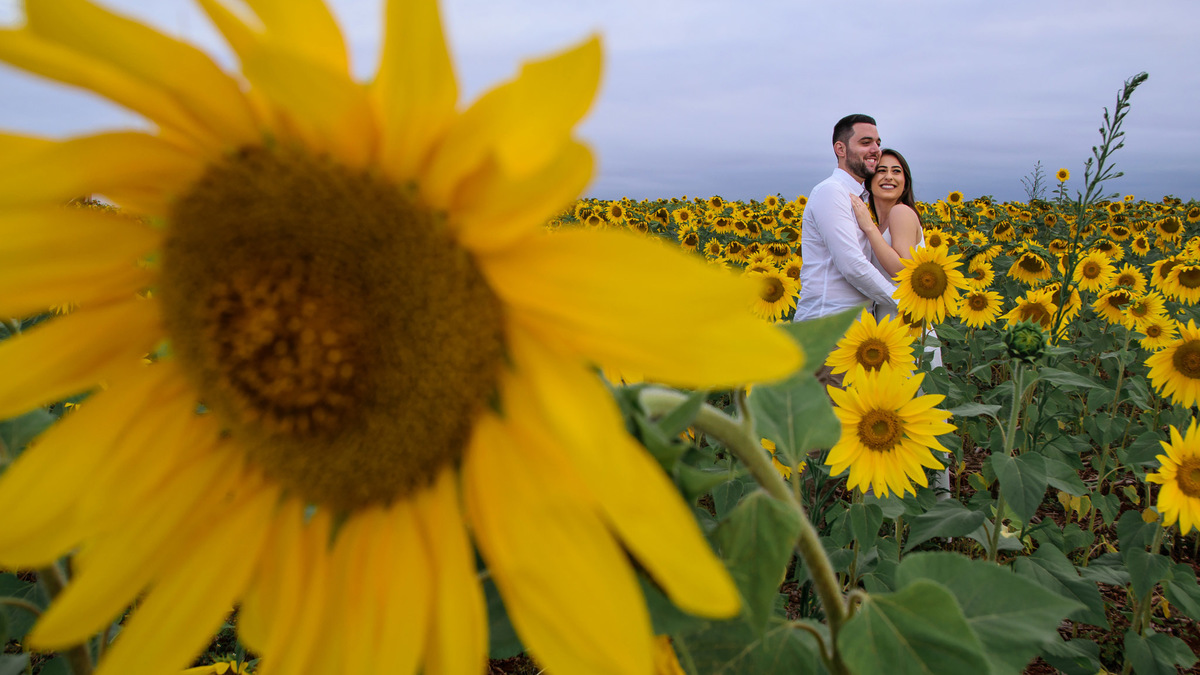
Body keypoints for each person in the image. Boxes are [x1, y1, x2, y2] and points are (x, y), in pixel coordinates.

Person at [851, 148, 951, 497]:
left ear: (905, 181)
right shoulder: (879, 222)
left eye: (897, 171)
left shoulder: (902, 214)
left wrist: (867, 227)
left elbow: (903, 271)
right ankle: (899, 498)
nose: (889, 176)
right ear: (870, 177)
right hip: (883, 327)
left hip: (911, 327)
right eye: (882, 170)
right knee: (892, 413)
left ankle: (940, 502)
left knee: (924, 415)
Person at [793, 114, 899, 325]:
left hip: (854, 326)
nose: (876, 150)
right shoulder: (831, 192)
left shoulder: (861, 198)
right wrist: (904, 302)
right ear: (840, 149)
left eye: (878, 143)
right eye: (865, 142)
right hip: (826, 324)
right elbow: (852, 265)